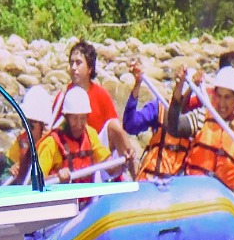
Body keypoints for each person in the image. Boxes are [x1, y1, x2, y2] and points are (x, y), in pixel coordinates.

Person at [167, 65, 234, 192]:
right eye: (219, 96)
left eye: (227, 97)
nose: (221, 103)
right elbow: (173, 127)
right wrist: (179, 87)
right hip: (193, 193)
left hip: (223, 201)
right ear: (213, 95)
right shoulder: (201, 117)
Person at [52, 39, 137, 175]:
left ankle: (136, 178)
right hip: (71, 155)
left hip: (97, 150)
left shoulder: (101, 95)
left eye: (78, 63)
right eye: (71, 63)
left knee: (115, 126)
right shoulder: (63, 97)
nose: (73, 68)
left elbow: (115, 131)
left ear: (90, 68)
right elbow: (54, 133)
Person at [122, 58, 189, 180]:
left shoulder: (199, 118)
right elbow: (130, 125)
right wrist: (137, 85)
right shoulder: (159, 108)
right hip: (151, 180)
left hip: (179, 186)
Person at [36, 85, 111, 183]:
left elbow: (110, 165)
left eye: (83, 118)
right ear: (66, 118)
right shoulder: (51, 143)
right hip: (61, 196)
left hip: (87, 196)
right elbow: (36, 181)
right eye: (75, 119)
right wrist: (57, 177)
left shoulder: (90, 134)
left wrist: (124, 161)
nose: (79, 125)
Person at [6, 84, 54, 184]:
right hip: (22, 190)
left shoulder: (50, 144)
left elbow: (40, 178)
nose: (27, 130)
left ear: (42, 125)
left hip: (44, 192)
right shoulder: (22, 141)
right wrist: (11, 169)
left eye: (31, 126)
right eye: (25, 124)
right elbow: (7, 161)